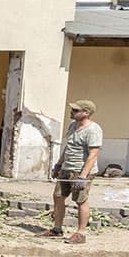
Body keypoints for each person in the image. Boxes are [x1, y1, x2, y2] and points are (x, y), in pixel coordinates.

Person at [45, 100, 102, 244]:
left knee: (80, 200)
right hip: (67, 168)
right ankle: (57, 229)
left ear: (86, 113)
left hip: (81, 170)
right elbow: (68, 147)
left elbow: (93, 154)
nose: (72, 112)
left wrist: (83, 177)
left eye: (76, 110)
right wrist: (58, 165)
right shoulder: (72, 126)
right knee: (58, 196)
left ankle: (81, 233)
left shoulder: (93, 130)